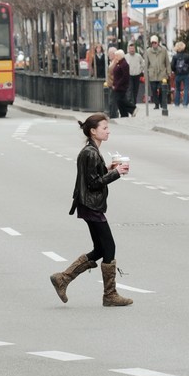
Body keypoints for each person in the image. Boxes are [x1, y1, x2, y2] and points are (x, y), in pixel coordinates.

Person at [49, 113, 132, 307]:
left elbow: (93, 174)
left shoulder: (92, 151)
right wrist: (116, 173)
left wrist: (108, 168)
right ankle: (109, 295)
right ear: (93, 131)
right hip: (91, 205)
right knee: (108, 247)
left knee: (101, 248)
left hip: (89, 205)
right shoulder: (90, 152)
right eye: (104, 128)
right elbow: (93, 183)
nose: (108, 131)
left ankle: (63, 278)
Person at [143, 35, 171, 110]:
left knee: (162, 88)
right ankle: (156, 104)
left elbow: (167, 62)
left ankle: (161, 102)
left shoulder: (163, 50)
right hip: (152, 73)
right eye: (152, 43)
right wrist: (145, 74)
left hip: (162, 72)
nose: (154, 44)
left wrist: (169, 72)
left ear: (158, 43)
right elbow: (146, 64)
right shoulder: (148, 51)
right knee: (153, 90)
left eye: (155, 42)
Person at [110, 49, 131, 118]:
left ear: (120, 56)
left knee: (121, 99)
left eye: (116, 56)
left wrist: (117, 85)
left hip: (121, 86)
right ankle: (124, 114)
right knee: (120, 100)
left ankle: (132, 109)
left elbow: (125, 76)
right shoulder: (118, 63)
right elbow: (112, 71)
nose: (115, 57)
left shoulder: (124, 64)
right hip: (117, 85)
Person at [170, 41, 189, 107]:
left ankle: (176, 103)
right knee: (186, 88)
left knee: (177, 88)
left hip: (178, 74)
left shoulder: (175, 57)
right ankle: (185, 103)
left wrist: (175, 71)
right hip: (186, 74)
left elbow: (172, 66)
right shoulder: (187, 56)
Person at [123, 43, 144, 107]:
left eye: (133, 48)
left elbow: (143, 64)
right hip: (129, 75)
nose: (132, 50)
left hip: (137, 75)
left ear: (135, 49)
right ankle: (129, 102)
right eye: (130, 49)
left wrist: (140, 70)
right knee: (130, 89)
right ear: (128, 49)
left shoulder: (138, 56)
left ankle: (134, 102)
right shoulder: (126, 56)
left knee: (136, 89)